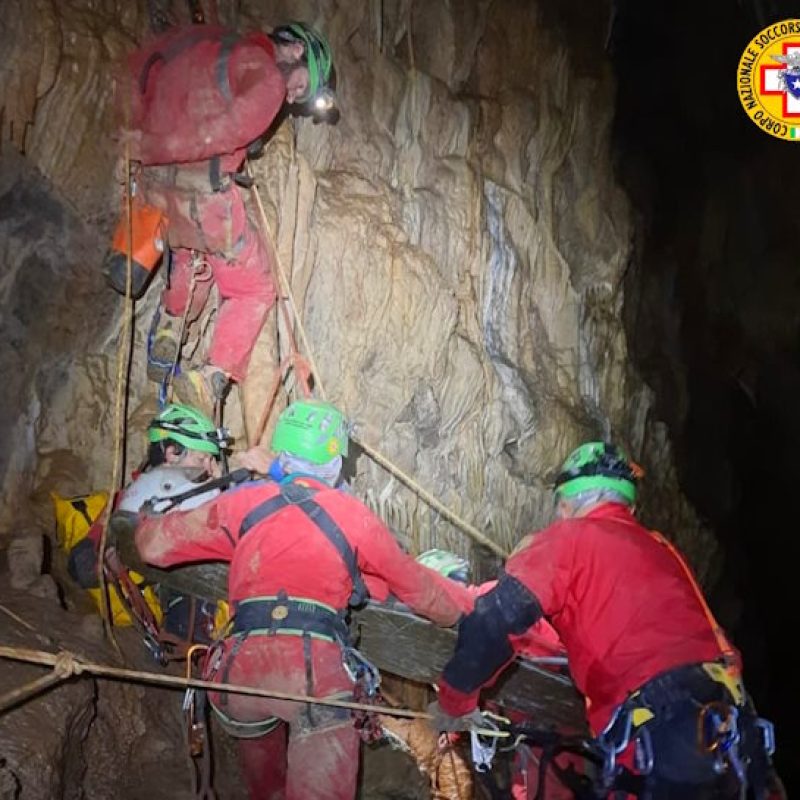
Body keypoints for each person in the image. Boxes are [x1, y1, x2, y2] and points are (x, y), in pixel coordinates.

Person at [132, 399, 466, 800]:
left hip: (239, 674)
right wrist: (455, 616)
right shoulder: (354, 516)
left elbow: (152, 547)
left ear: (283, 456)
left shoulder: (244, 502)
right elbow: (423, 593)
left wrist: (146, 518)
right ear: (335, 462)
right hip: (312, 675)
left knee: (267, 791)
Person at [430, 442, 782, 799]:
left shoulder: (569, 538)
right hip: (734, 732)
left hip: (664, 735)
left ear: (565, 505)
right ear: (628, 506)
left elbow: (493, 622)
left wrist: (453, 705)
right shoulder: (663, 550)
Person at [105, 21, 335, 415]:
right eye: (301, 83)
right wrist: (164, 147)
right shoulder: (266, 78)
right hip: (202, 192)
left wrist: (141, 144)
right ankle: (211, 377)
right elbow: (223, 133)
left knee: (192, 257)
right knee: (254, 288)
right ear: (296, 50)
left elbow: (147, 76)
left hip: (154, 187)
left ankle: (170, 323)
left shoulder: (209, 47)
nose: (293, 96)